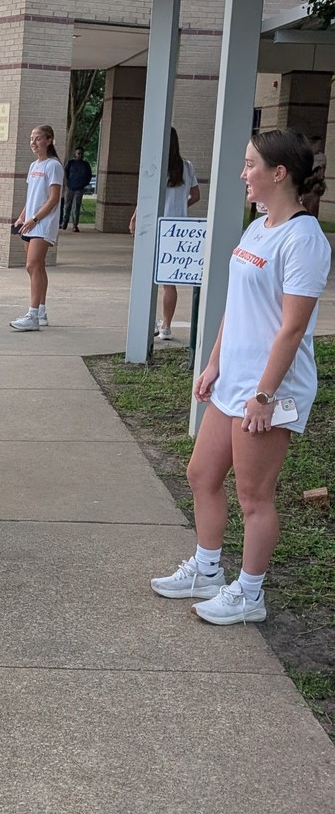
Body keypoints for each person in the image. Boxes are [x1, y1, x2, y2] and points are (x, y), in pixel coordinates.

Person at [150, 129, 330, 625]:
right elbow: (237, 307)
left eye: (251, 165)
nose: (242, 174)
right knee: (201, 475)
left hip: (271, 390)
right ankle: (207, 570)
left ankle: (250, 594)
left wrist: (264, 395)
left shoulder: (304, 238)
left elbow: (292, 327)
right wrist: (213, 363)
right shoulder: (258, 228)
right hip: (234, 378)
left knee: (254, 496)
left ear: (279, 174)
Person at [128, 127, 200, 341]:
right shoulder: (187, 167)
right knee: (168, 281)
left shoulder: (154, 166)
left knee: (147, 277)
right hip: (177, 228)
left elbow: (146, 197)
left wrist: (135, 217)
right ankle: (166, 326)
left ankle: (149, 322)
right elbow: (196, 195)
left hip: (154, 225)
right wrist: (180, 206)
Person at [10, 125, 63, 331]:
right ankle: (41, 311)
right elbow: (31, 196)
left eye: (38, 138)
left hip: (43, 223)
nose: (33, 142)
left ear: (49, 140)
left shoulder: (53, 166)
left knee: (32, 265)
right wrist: (22, 218)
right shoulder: (34, 166)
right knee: (37, 267)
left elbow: (54, 199)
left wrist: (35, 218)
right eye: (31, 138)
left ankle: (32, 315)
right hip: (30, 224)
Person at [60, 147, 92, 232]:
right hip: (70, 188)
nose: (80, 155)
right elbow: (65, 173)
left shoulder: (85, 165)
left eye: (81, 153)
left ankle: (75, 224)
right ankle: (64, 222)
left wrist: (84, 184)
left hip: (79, 188)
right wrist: (67, 184)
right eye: (78, 153)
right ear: (75, 154)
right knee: (67, 205)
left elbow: (89, 176)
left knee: (76, 207)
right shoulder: (70, 163)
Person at [301, 134, 326, 218]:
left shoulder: (322, 157)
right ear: (313, 144)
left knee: (313, 207)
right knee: (305, 206)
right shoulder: (306, 156)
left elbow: (322, 172)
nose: (320, 147)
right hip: (306, 184)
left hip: (315, 184)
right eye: (319, 144)